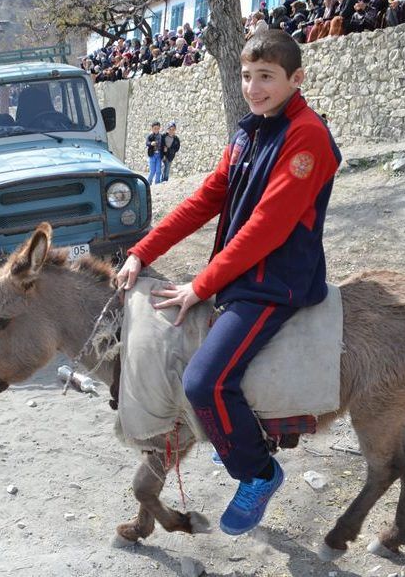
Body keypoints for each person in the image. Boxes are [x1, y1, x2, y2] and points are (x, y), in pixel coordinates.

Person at [116, 30, 341, 536]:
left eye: (266, 77)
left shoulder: (306, 136)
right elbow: (203, 200)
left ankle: (259, 473)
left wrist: (200, 285)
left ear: (295, 79)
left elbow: (269, 226)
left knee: (203, 381)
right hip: (241, 276)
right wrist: (141, 251)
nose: (254, 87)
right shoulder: (249, 131)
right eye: (246, 76)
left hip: (275, 282)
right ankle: (240, 440)